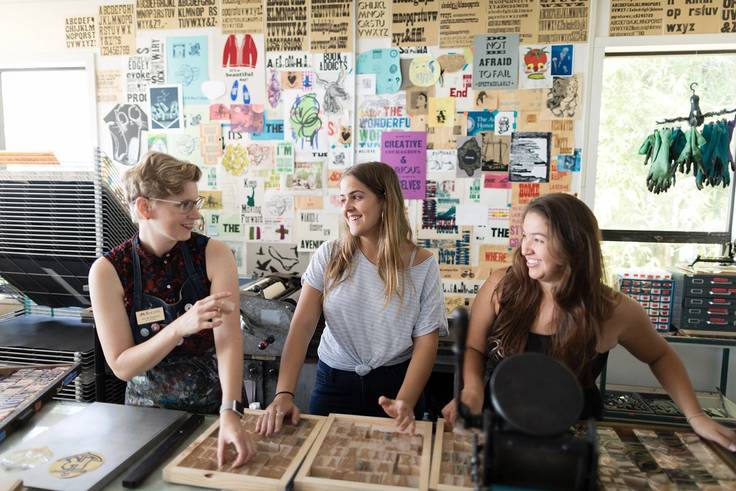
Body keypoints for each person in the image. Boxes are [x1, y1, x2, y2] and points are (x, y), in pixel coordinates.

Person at [441, 193, 736, 451]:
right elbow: (475, 349)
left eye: (538, 240)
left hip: (573, 433)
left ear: (573, 246)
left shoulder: (613, 310)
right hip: (498, 422)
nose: (525, 248)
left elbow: (660, 355)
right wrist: (472, 389)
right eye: (525, 236)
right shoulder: (501, 286)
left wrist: (695, 415)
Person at [89, 152, 256, 468]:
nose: (195, 215)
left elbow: (228, 340)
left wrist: (231, 409)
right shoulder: (108, 271)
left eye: (196, 202)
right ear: (144, 206)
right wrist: (179, 327)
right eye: (184, 205)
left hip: (217, 407)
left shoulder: (213, 254)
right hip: (146, 416)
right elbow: (123, 366)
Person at [256, 162, 447, 436]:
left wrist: (405, 400)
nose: (347, 207)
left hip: (395, 386)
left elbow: (427, 342)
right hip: (333, 383)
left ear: (385, 201)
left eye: (357, 197)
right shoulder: (329, 255)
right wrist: (284, 393)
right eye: (343, 198)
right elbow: (301, 327)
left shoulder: (423, 265)